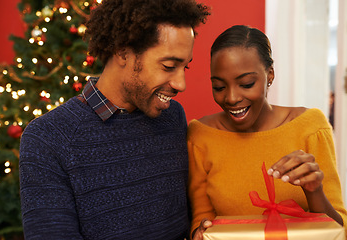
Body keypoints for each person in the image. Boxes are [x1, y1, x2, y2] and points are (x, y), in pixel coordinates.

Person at [19, 0, 210, 239]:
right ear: (122, 51)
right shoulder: (49, 137)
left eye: (185, 67)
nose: (181, 84)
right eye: (169, 66)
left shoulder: (172, 118)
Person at [188, 25, 347, 239]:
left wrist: (314, 191)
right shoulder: (200, 136)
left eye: (246, 84)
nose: (231, 97)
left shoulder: (311, 127)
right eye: (219, 87)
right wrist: (199, 232)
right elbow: (201, 220)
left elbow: (339, 231)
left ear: (269, 75)